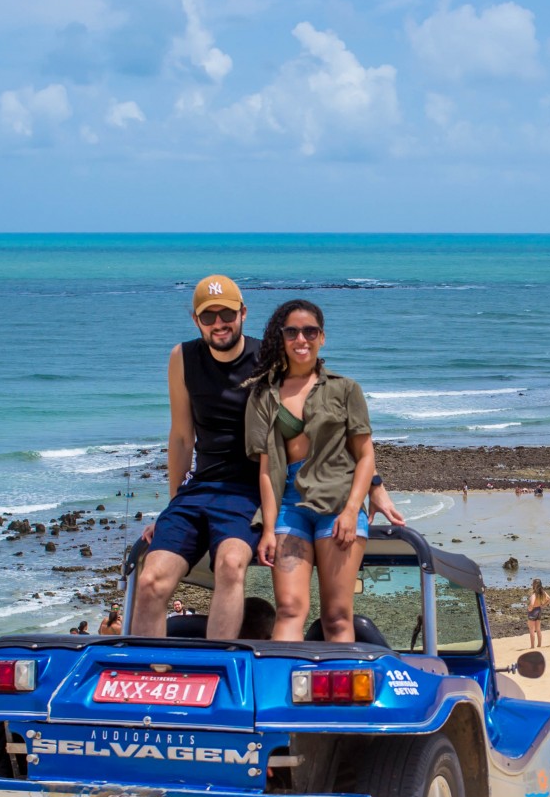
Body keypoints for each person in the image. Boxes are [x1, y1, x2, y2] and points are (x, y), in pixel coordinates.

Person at [133, 275, 405, 641]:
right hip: (211, 490)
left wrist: (374, 486)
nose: (219, 323)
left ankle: (219, 678)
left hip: (252, 492)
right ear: (196, 320)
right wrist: (172, 507)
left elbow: (325, 418)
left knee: (235, 567)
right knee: (151, 578)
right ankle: (148, 678)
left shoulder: (269, 359)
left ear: (243, 313)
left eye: (226, 313)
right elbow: (182, 437)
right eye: (208, 316)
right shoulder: (182, 358)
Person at [246, 300, 376, 643]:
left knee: (336, 616)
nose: (301, 338)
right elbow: (266, 469)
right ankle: (282, 693)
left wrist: (351, 512)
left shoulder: (345, 389)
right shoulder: (264, 393)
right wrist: (269, 529)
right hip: (289, 503)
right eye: (292, 331)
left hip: (337, 502)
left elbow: (365, 456)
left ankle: (341, 696)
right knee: (289, 609)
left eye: (310, 331)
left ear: (322, 338)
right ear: (282, 337)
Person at [526, 578, 550, 649]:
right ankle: (539, 644)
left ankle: (532, 646)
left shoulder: (534, 593)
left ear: (534, 584)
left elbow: (532, 602)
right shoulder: (542, 592)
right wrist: (543, 605)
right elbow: (549, 599)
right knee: (538, 629)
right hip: (539, 610)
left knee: (531, 629)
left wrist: (530, 608)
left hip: (533, 611)